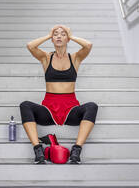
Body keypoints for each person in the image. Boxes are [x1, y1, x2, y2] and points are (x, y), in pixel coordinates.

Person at [19, 24, 98, 164]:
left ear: (67, 39)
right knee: (25, 105)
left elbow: (89, 45)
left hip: (70, 109)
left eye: (63, 34)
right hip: (49, 110)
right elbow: (30, 46)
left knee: (92, 106)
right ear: (52, 39)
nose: (59, 36)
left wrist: (71, 35)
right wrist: (49, 35)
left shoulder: (75, 58)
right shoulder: (46, 58)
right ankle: (38, 150)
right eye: (56, 34)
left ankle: (76, 150)